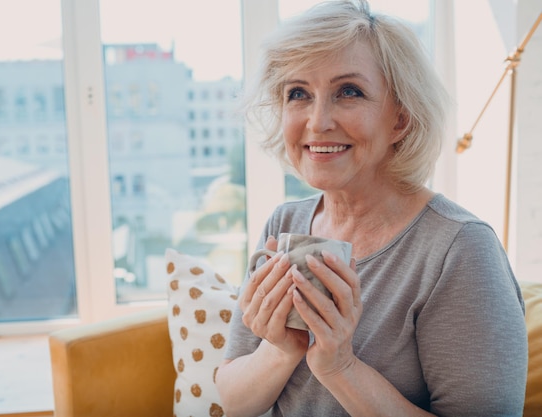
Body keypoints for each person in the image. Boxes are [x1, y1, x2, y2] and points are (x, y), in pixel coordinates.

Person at [214, 1, 529, 416]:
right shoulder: (284, 223)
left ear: (400, 118)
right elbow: (234, 402)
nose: (317, 121)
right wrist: (279, 350)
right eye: (298, 94)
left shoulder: (460, 249)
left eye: (349, 92)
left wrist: (340, 366)